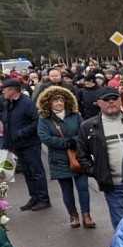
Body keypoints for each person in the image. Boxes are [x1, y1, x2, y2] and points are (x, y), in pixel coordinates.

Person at [76, 88, 123, 229]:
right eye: (106, 99)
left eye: (114, 98)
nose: (111, 101)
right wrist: (97, 172)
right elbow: (82, 155)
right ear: (98, 103)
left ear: (120, 100)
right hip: (114, 186)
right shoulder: (88, 126)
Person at [35, 86, 94, 229]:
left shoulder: (75, 115)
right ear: (49, 102)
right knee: (66, 190)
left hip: (78, 156)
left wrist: (76, 140)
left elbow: (85, 131)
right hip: (59, 159)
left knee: (83, 188)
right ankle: (73, 215)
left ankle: (86, 215)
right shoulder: (44, 119)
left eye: (61, 100)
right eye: (55, 100)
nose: (59, 103)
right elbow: (45, 138)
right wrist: (68, 142)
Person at [0, 80, 49, 212]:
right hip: (16, 145)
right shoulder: (7, 104)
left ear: (13, 90)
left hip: (30, 144)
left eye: (5, 89)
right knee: (27, 172)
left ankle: (43, 198)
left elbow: (37, 121)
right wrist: (7, 141)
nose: (3, 91)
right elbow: (7, 122)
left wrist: (22, 133)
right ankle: (34, 197)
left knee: (36, 172)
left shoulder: (27, 103)